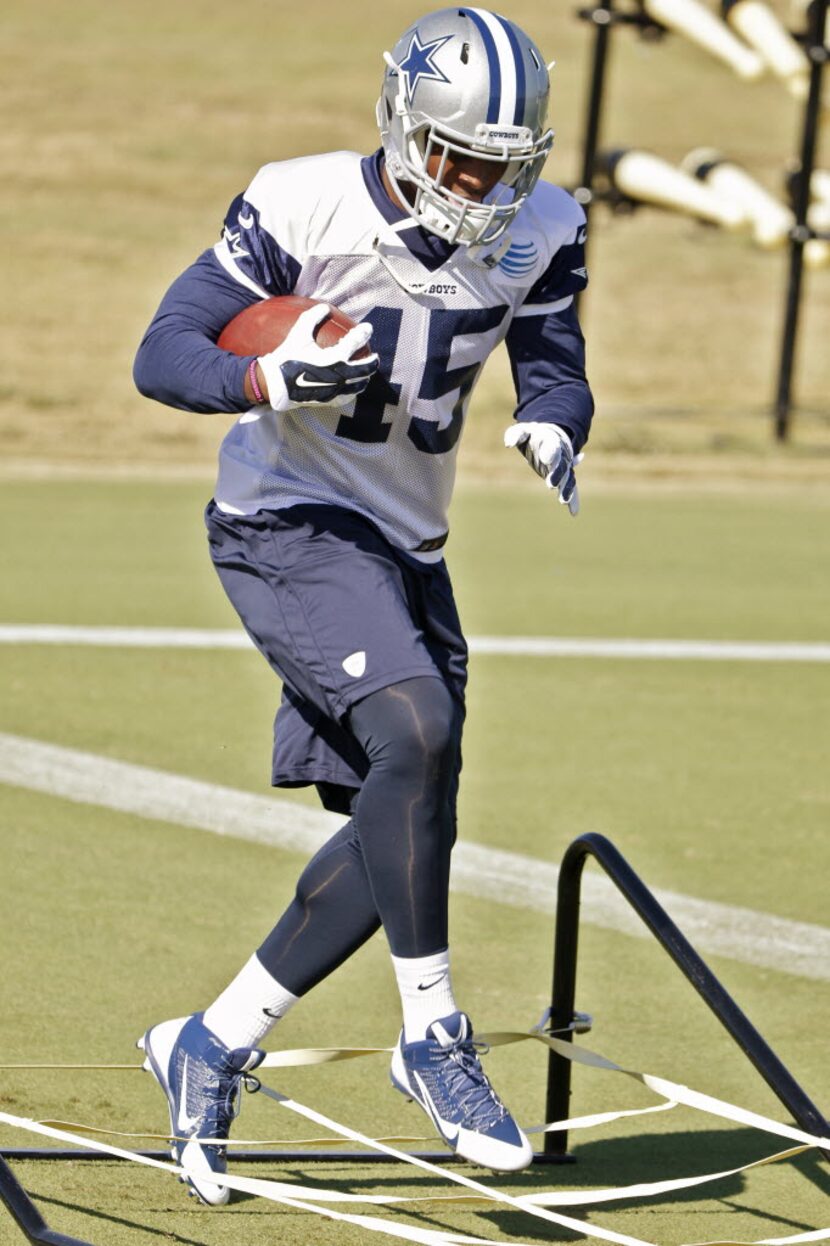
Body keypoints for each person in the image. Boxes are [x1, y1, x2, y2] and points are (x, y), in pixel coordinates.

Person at [133, 5, 594, 1206]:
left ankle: (214, 1038)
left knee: (408, 813)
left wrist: (556, 417)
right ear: (402, 127)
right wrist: (263, 372)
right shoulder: (302, 203)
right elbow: (164, 348)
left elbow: (552, 353)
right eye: (460, 157)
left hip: (409, 540)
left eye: (505, 162)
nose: (482, 183)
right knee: (419, 735)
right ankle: (433, 1037)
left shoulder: (539, 226)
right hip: (286, 519)